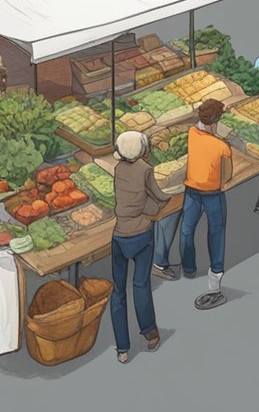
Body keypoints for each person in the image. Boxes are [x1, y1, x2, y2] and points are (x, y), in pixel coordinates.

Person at [110, 131, 169, 363]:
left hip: (119, 236)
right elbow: (158, 196)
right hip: (141, 236)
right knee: (141, 284)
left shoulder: (118, 169)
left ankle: (122, 348)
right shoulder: (145, 170)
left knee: (118, 291)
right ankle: (149, 334)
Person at [180, 99, 232, 310]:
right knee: (216, 233)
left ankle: (189, 267)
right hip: (212, 194)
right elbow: (227, 176)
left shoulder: (191, 133)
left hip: (191, 191)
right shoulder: (222, 146)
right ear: (216, 122)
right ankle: (215, 277)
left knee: (187, 229)